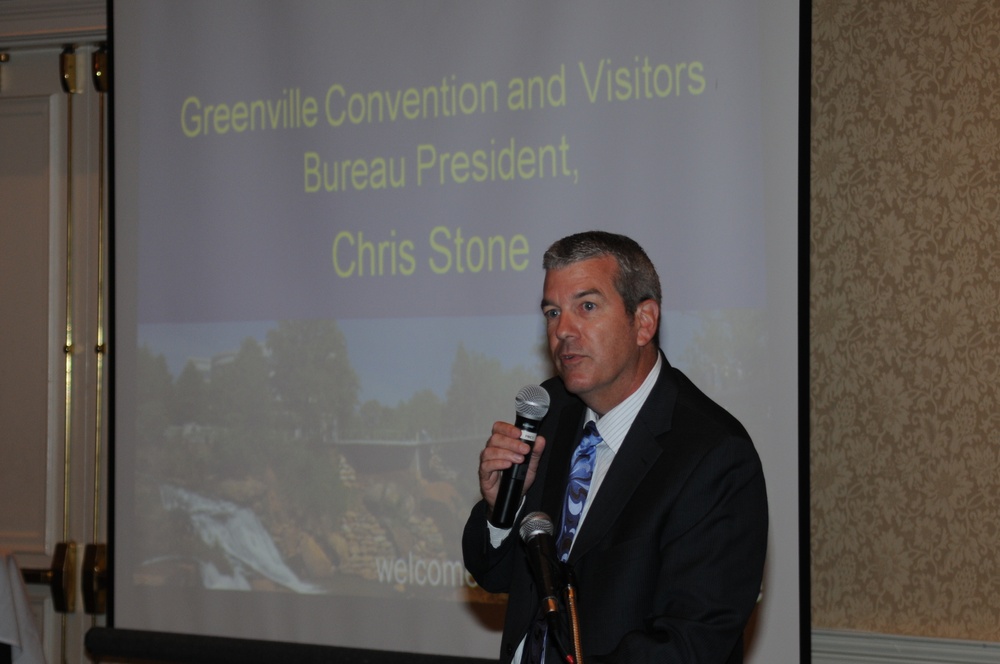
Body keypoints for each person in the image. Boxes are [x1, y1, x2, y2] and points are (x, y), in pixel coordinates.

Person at [462, 230, 768, 663]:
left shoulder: (714, 456)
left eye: (586, 306)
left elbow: (690, 643)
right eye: (553, 312)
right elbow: (494, 575)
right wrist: (501, 512)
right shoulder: (549, 413)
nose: (563, 330)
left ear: (644, 321)